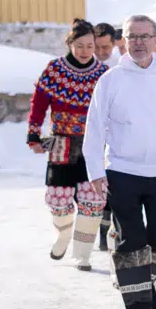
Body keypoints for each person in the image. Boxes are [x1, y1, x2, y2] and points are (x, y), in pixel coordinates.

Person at [82, 15, 156, 309]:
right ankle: (138, 303)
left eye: (145, 36)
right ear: (124, 41)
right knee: (130, 238)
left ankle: (141, 285)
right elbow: (94, 129)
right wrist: (95, 170)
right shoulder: (111, 80)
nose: (138, 42)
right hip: (123, 170)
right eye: (132, 36)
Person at [26, 19, 109, 270]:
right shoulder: (54, 70)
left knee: (93, 200)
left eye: (90, 46)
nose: (85, 51)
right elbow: (38, 104)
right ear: (70, 43)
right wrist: (33, 134)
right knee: (57, 199)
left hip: (92, 146)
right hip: (60, 141)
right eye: (80, 45)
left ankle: (82, 254)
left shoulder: (104, 74)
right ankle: (63, 234)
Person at [91, 21, 122, 251]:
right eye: (97, 47)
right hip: (94, 133)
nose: (101, 53)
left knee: (111, 187)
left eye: (105, 48)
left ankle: (107, 233)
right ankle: (100, 231)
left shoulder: (118, 68)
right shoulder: (88, 65)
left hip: (114, 135)